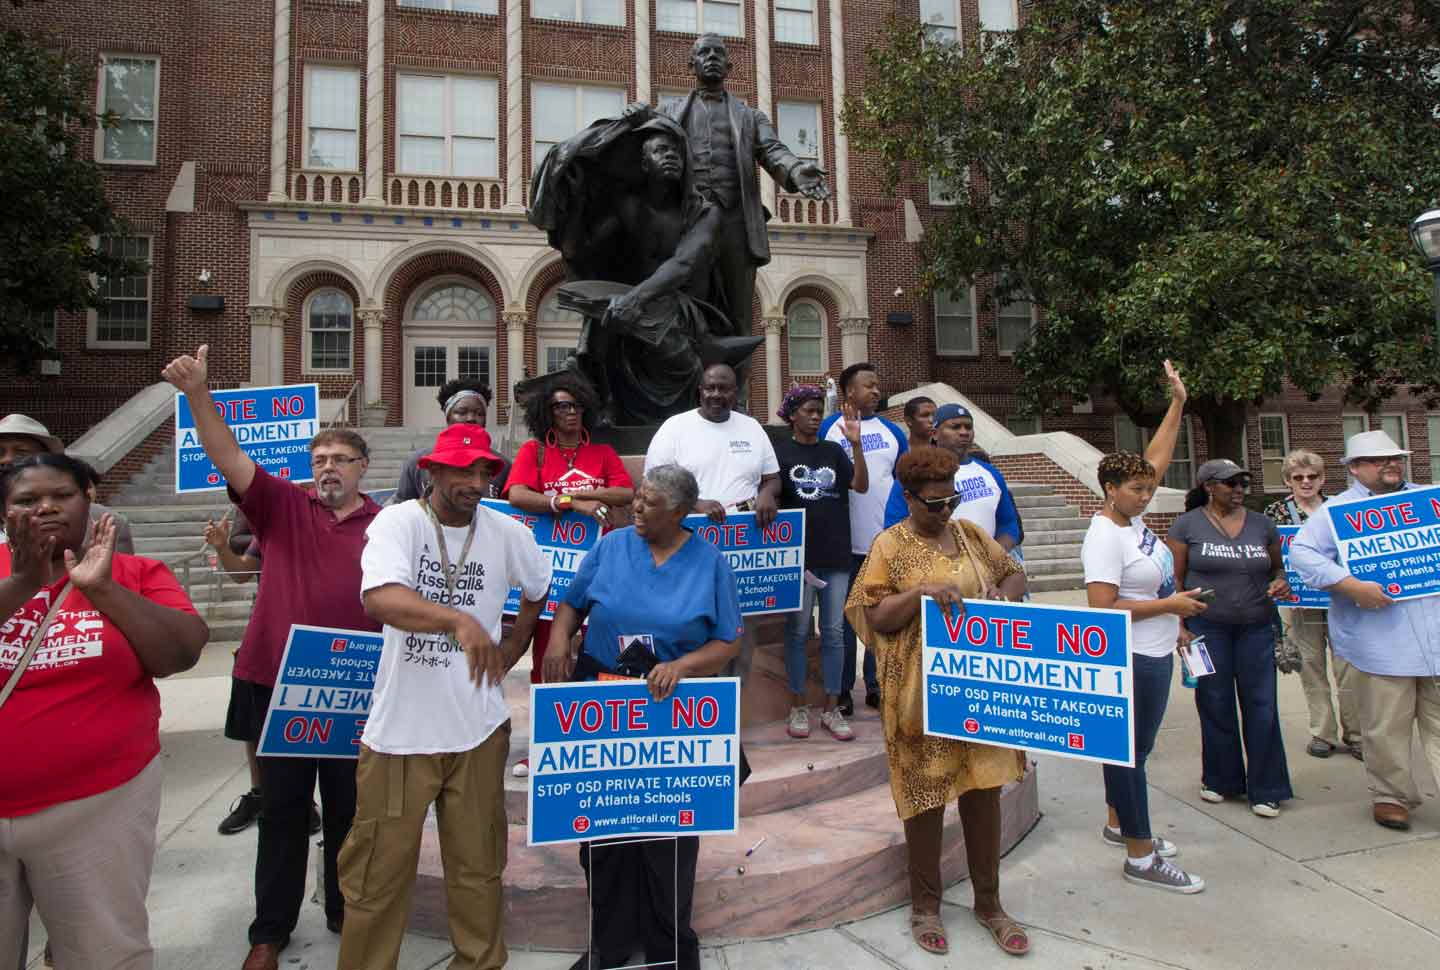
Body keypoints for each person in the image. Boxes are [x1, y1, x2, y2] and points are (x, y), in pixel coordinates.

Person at [161, 345, 384, 970]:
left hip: (354, 689)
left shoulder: (390, 523)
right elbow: (226, 455)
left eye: (340, 458)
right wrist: (199, 395)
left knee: (350, 811)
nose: (328, 467)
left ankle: (343, 909)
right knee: (283, 812)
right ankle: (270, 930)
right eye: (319, 459)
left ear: (363, 467)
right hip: (278, 684)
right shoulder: (281, 506)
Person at [339, 423, 550, 970]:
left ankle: (479, 962)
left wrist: (512, 646)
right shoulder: (399, 522)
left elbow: (537, 590)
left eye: (483, 470)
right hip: (401, 735)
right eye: (461, 469)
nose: (474, 481)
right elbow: (381, 599)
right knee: (377, 875)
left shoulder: (508, 533)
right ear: (431, 472)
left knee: (478, 867)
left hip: (477, 729)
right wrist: (458, 621)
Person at [0, 453, 208, 969]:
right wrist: (21, 585)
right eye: (27, 500)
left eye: (61, 496)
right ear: (4, 513)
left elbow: (180, 652)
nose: (45, 507)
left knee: (103, 954)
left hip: (98, 809)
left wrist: (103, 590)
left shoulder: (135, 572)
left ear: (88, 500)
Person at [543, 464, 743, 970]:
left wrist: (681, 666)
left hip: (671, 706)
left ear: (679, 511)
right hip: (605, 697)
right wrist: (559, 640)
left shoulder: (709, 562)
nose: (635, 508)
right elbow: (571, 604)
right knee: (604, 831)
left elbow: (727, 640)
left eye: (649, 502)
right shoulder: (611, 546)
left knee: (668, 835)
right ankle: (608, 942)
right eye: (636, 498)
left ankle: (669, 949)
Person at [845, 447, 1030, 958]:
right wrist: (922, 592)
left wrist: (1004, 595)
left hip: (979, 687)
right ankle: (925, 906)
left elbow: (1013, 572)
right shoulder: (891, 544)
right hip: (919, 696)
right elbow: (871, 613)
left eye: (951, 499)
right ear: (908, 498)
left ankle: (989, 903)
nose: (945, 510)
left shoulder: (970, 535)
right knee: (924, 800)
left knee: (984, 792)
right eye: (933, 504)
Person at [1081, 361, 1207, 892]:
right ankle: (1140, 856)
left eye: (1149, 489)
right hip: (1129, 655)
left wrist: (1177, 403)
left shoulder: (1129, 520)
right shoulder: (1106, 536)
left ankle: (1117, 823)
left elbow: (1156, 458)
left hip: (1156, 648)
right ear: (1110, 488)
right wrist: (1171, 606)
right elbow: (1102, 608)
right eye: (1136, 489)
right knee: (1129, 754)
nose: (1146, 495)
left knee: (1135, 750)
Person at [1292, 430, 1440, 832]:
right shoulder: (1337, 511)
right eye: (1378, 460)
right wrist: (1348, 584)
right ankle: (1392, 796)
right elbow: (1302, 554)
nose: (1391, 464)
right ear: (1355, 469)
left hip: (1435, 636)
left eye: (1395, 457)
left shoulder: (1429, 500)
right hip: (1382, 643)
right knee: (1385, 728)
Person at [503, 370, 634, 776]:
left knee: (602, 656)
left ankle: (595, 741)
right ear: (548, 412)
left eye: (575, 405)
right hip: (553, 573)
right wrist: (566, 502)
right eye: (561, 406)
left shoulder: (603, 453)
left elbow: (625, 492)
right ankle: (545, 746)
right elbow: (517, 494)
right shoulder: (534, 453)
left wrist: (581, 495)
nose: (570, 412)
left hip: (602, 572)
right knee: (548, 660)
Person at [659, 33, 830, 339]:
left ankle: (737, 386)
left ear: (729, 65)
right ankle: (696, 385)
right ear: (691, 64)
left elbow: (773, 151)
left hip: (735, 223)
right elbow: (646, 148)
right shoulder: (669, 113)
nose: (712, 57)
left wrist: (796, 169)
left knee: (739, 315)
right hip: (689, 222)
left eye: (718, 53)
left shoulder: (750, 117)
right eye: (704, 52)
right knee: (689, 308)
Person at [1167, 458, 1293, 819]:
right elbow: (1174, 581)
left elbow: (1277, 568)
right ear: (1209, 486)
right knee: (1214, 701)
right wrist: (1180, 626)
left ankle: (1267, 788)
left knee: (1262, 705)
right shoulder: (1186, 526)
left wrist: (1281, 582)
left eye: (1242, 483)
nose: (1239, 490)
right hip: (1207, 629)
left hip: (1256, 627)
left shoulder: (1262, 525)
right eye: (1229, 483)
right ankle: (1220, 779)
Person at [644, 363, 778, 681]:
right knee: (693, 620)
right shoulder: (675, 428)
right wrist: (695, 504)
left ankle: (735, 702)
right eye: (710, 388)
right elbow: (653, 483)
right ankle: (692, 698)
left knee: (740, 627)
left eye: (724, 388)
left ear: (735, 392)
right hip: (689, 544)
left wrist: (768, 495)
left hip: (744, 547)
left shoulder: (752, 428)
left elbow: (771, 478)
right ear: (700, 391)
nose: (716, 394)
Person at [774, 385, 868, 741]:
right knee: (797, 633)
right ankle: (798, 704)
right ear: (793, 414)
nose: (815, 416)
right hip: (798, 560)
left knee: (833, 634)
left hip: (835, 555)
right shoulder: (780, 453)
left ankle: (832, 709)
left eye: (818, 411)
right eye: (809, 411)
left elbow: (860, 485)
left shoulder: (833, 451)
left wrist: (855, 445)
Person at [820, 362, 908, 715]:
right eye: (868, 386)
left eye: (877, 385)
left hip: (882, 543)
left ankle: (874, 685)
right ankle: (841, 691)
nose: (875, 391)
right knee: (841, 621)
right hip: (842, 542)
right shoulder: (830, 429)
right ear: (849, 392)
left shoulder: (891, 431)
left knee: (879, 617)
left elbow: (904, 482)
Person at [1264, 449, 1359, 761]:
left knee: (1349, 668)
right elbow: (1269, 558)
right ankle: (1323, 732)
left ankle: (1356, 733)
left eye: (1312, 476)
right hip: (1300, 602)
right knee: (1310, 666)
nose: (1306, 482)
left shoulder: (1339, 509)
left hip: (1340, 600)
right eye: (1298, 477)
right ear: (1288, 481)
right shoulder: (1275, 513)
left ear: (1322, 478)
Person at [883, 403, 1021, 553]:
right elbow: (893, 527)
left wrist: (996, 553)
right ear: (935, 434)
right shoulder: (916, 473)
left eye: (968, 427)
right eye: (955, 427)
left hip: (988, 569)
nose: (964, 432)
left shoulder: (991, 472)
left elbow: (1008, 523)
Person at [0, 413, 135, 553]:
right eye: (0, 452)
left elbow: (123, 571)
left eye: (21, 453)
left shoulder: (105, 522)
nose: (7, 460)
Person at [395, 380, 509, 502]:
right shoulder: (418, 462)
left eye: (479, 414)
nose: (471, 419)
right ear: (447, 416)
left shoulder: (502, 465)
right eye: (462, 412)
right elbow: (402, 505)